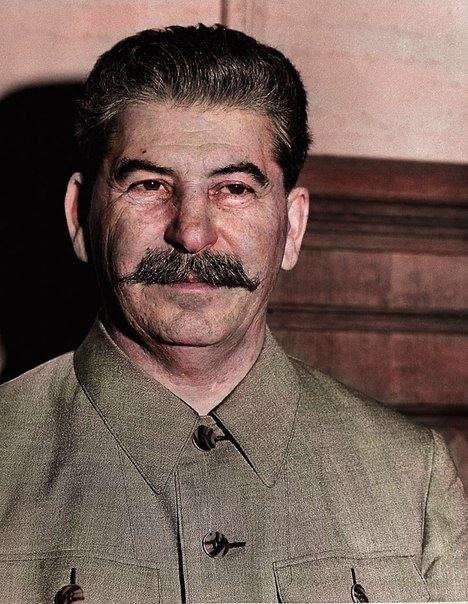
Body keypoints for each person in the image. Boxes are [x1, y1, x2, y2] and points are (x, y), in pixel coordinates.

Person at [0, 24, 466, 603]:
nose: (192, 233)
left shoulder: (412, 479)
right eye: (149, 185)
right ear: (79, 218)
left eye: (236, 189)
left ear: (292, 227)